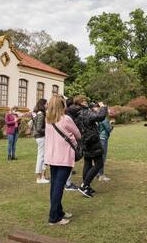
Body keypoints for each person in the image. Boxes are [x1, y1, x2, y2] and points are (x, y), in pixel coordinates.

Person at [44, 95, 81, 225]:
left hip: (52, 156)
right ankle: (54, 217)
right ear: (62, 105)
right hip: (63, 156)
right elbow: (78, 134)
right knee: (58, 187)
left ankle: (58, 211)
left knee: (55, 186)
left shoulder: (48, 119)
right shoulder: (66, 119)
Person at [71, 95, 108, 198]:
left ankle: (87, 187)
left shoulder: (76, 114)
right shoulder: (85, 112)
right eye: (84, 101)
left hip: (84, 141)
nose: (86, 102)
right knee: (99, 163)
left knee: (87, 162)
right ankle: (84, 185)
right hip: (92, 140)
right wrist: (103, 107)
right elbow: (100, 117)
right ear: (81, 103)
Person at [33, 99, 49, 184]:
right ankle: (39, 177)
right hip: (41, 137)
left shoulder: (40, 114)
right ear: (43, 105)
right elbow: (39, 129)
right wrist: (48, 130)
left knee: (42, 157)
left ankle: (42, 176)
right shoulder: (41, 115)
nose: (47, 105)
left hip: (41, 137)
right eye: (46, 104)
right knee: (41, 157)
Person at [96, 106, 113, 182]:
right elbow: (108, 129)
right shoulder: (105, 119)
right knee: (103, 157)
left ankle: (98, 173)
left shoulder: (97, 117)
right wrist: (111, 125)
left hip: (98, 138)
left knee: (98, 157)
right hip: (103, 139)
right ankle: (101, 175)